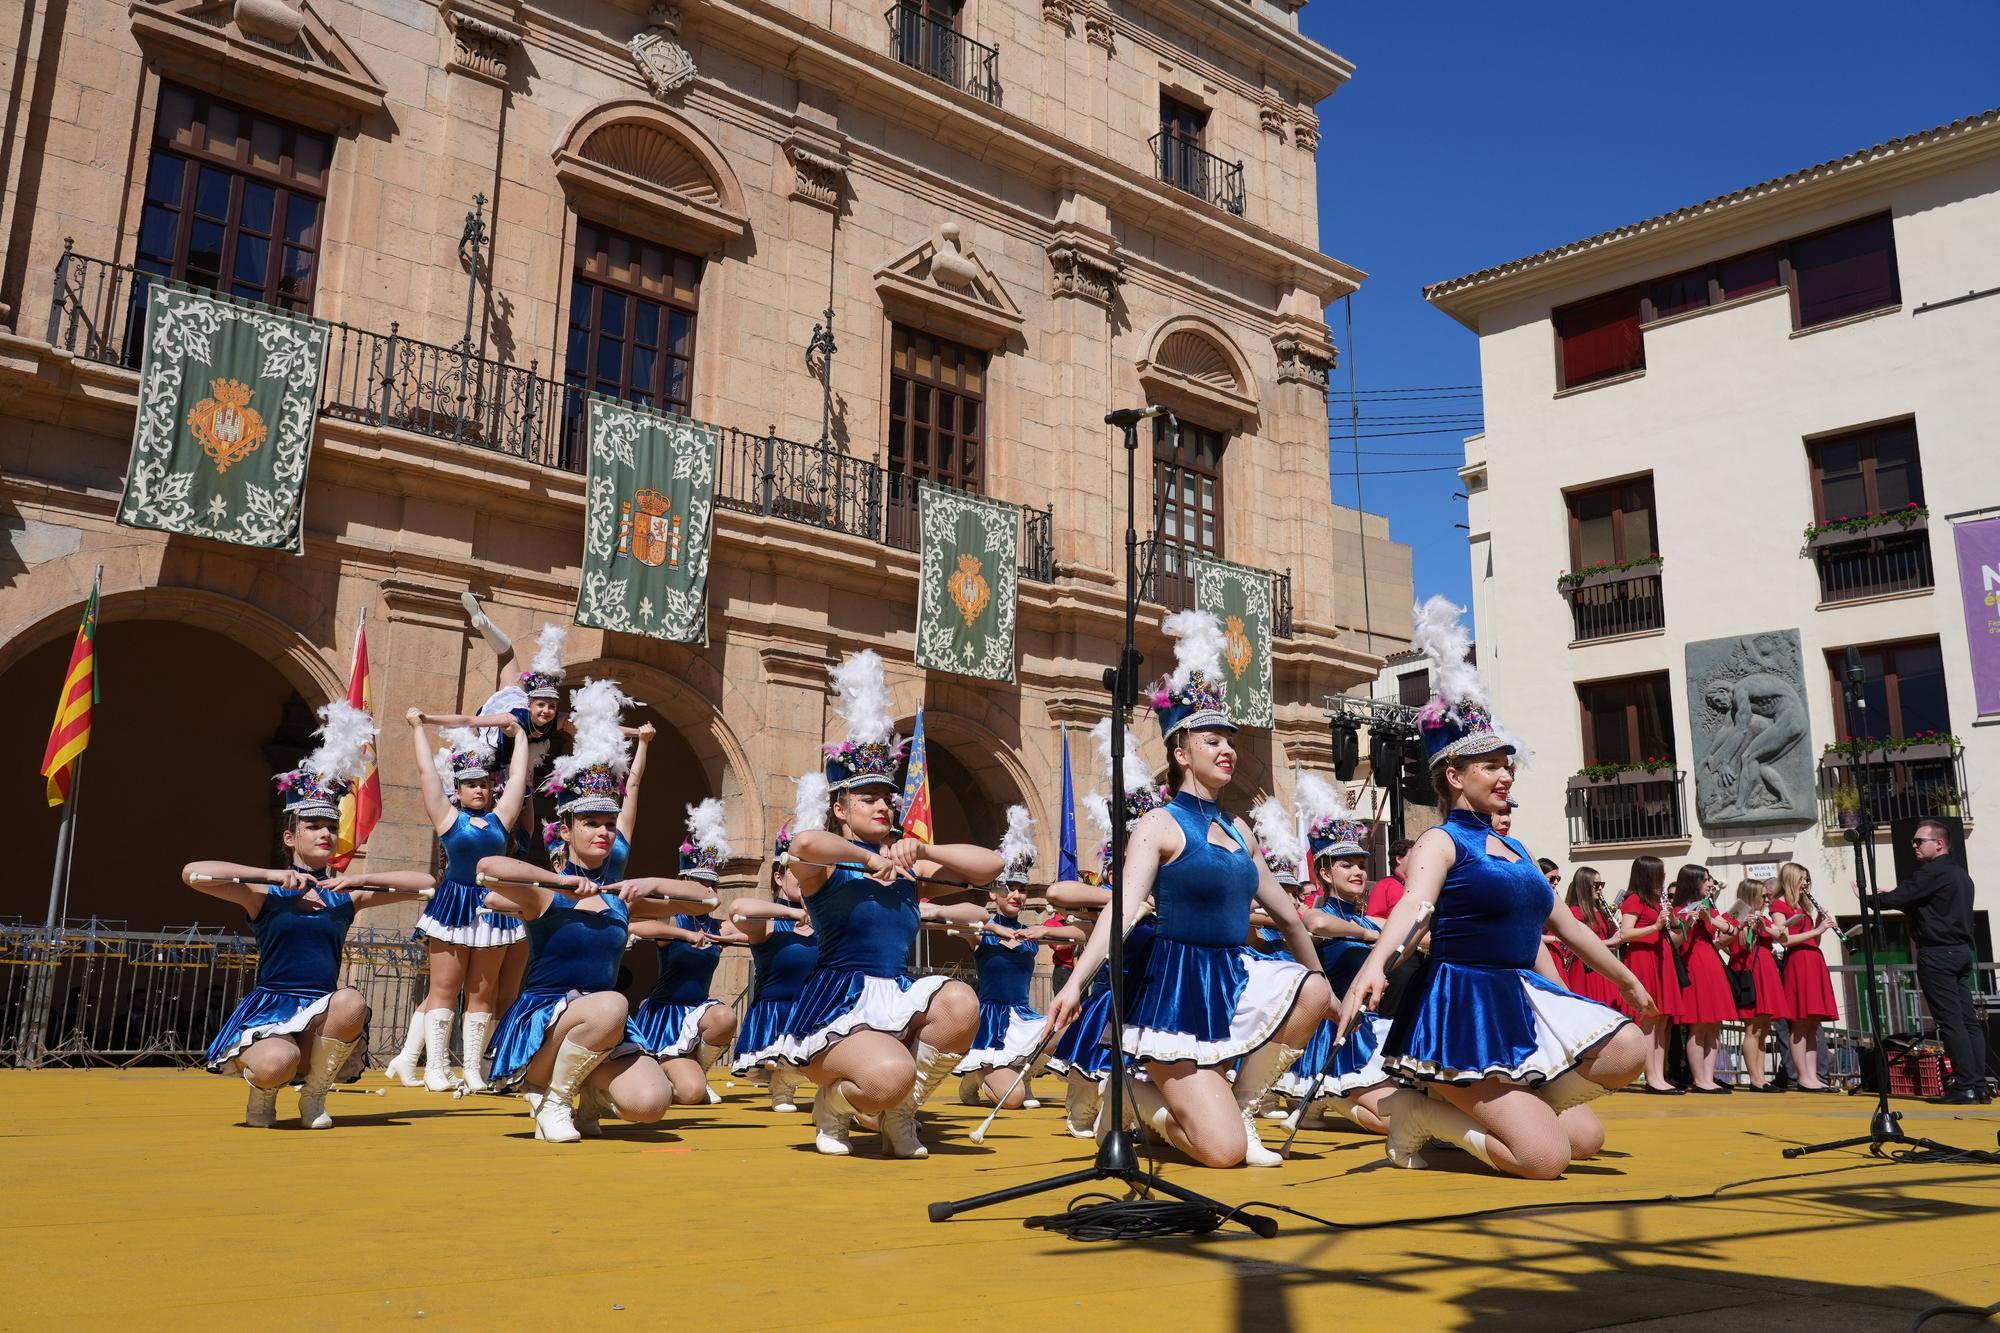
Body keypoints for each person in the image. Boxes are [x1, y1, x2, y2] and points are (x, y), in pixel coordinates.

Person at [1337, 596, 1652, 1180]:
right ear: (1454, 776)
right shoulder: (1440, 842)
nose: (1507, 773)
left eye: (1508, 763)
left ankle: (1482, 1111)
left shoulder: (1518, 850)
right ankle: (1417, 1109)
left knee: (1607, 1095)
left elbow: (1566, 925)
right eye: (1491, 765)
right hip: (1464, 1011)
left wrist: (1627, 980)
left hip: (1520, 1003)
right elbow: (1416, 904)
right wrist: (1376, 965)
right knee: (1546, 1158)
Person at [1050, 611, 1333, 1169]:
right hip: (1176, 992)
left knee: (1314, 991)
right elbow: (1123, 912)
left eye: (1231, 740)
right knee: (1221, 1154)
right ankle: (1128, 1102)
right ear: (1181, 753)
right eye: (1212, 740)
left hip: (1233, 977)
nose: (1227, 749)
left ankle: (1244, 1107)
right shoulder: (1158, 824)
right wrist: (1075, 985)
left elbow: (1293, 919)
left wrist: (1330, 994)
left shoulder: (1240, 829)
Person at [773, 650, 1000, 1158]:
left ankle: (899, 1112)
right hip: (837, 1002)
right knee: (889, 1075)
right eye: (867, 797)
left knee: (961, 1003)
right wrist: (864, 857)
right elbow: (804, 844)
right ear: (840, 807)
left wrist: (925, 850)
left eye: (886, 797)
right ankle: (833, 1105)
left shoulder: (907, 862)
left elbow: (990, 866)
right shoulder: (828, 865)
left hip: (895, 994)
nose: (882, 804)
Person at [479, 679, 716, 1142]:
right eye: (591, 823)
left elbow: (705, 899)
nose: (604, 832)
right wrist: (558, 880)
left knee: (650, 1105)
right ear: (565, 831)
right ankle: (554, 1100)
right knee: (611, 1003)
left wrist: (652, 882)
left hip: (603, 1024)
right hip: (547, 1020)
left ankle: (589, 1091)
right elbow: (487, 869)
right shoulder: (545, 895)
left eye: (609, 824)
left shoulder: (620, 896)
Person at [186, 701, 436, 1128]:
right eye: (313, 826)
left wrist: (358, 881)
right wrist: (268, 873)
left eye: (330, 826)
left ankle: (314, 1096)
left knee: (352, 1001)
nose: (325, 833)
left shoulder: (344, 896)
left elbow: (426, 884)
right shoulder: (264, 894)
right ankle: (263, 1093)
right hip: (272, 1008)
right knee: (276, 1062)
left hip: (322, 1008)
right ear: (291, 835)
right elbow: (194, 874)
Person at [387, 710, 534, 1093]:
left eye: (484, 784)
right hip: (453, 905)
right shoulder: (448, 818)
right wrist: (419, 728)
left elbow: (518, 778)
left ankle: (471, 1067)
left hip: (492, 907)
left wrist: (520, 736)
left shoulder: (502, 819)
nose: (479, 790)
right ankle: (434, 1065)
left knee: (482, 992)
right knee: (445, 989)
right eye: (470, 784)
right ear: (459, 789)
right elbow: (426, 776)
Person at [1044, 723, 1165, 1138]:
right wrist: (1121, 899)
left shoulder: (1166, 894)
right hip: (1107, 1001)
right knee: (1085, 1084)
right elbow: (1058, 890)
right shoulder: (1112, 897)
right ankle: (1084, 1114)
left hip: (1148, 1002)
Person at [1277, 775, 1393, 1134]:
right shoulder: (1320, 913)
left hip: (1367, 1030)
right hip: (1334, 1033)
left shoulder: (1367, 917)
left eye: (1361, 863)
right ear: (1325, 872)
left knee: (1401, 1110)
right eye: (1346, 865)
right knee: (1388, 1122)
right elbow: (1314, 924)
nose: (1358, 871)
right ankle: (1329, 1096)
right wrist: (1367, 933)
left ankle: (1327, 1099)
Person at [957, 808, 1082, 1108]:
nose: (1016, 894)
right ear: (993, 893)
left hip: (1022, 1018)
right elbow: (959, 919)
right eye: (1009, 888)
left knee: (1069, 1027)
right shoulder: (981, 933)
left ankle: (1022, 1071)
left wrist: (1043, 930)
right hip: (991, 1024)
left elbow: (1081, 933)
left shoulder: (1031, 932)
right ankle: (975, 1075)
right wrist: (993, 926)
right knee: (1011, 1102)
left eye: (1022, 889)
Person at [1864, 819, 1989, 1104]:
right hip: (1959, 951)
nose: (1914, 846)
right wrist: (1890, 898)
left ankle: (1965, 1086)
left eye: (1920, 841)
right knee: (1968, 1021)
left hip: (1938, 953)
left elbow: (1900, 896)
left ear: (1940, 843)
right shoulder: (1960, 875)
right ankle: (1978, 1086)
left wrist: (1871, 898)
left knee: (1952, 1022)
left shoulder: (1932, 873)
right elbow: (1924, 905)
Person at [629, 799, 742, 1107]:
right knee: (689, 1095)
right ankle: (663, 1076)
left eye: (711, 886)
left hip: (699, 1013)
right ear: (683, 884)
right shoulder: (672, 918)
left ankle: (700, 1071)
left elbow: (756, 936)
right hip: (664, 1018)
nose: (706, 892)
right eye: (700, 884)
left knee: (724, 1016)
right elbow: (638, 928)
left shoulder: (720, 927)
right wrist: (685, 934)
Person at [727, 777, 826, 1113]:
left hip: (814, 1016)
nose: (807, 876)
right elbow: (739, 910)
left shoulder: (827, 922)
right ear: (779, 877)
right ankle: (781, 1084)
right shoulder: (769, 923)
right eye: (798, 871)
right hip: (775, 1017)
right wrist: (792, 912)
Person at [1666, 864, 1738, 1093]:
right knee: (1699, 1025)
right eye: (1706, 879)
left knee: (1714, 1025)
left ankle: (1709, 1077)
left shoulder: (1708, 906)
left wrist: (1710, 918)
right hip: (1694, 967)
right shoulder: (1678, 909)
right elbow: (1676, 943)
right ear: (1693, 882)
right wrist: (1689, 921)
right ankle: (1699, 1079)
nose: (1710, 883)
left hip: (1713, 966)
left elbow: (1732, 930)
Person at [1619, 855, 1681, 1093]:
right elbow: (1625, 933)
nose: (1663, 879)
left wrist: (1672, 919)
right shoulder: (1634, 899)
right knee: (1648, 1020)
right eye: (1659, 874)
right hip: (1643, 959)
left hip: (1660, 958)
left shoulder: (1657, 900)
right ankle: (1651, 1077)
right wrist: (1655, 926)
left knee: (1662, 1020)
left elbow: (1673, 930)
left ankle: (1660, 1074)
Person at [1774, 862, 1838, 1091]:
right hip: (1798, 963)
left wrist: (1820, 924)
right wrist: (1817, 930)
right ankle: (1803, 1076)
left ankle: (1813, 1076)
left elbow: (1814, 940)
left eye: (1808, 879)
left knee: (1812, 1023)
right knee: (1800, 1023)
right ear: (1792, 879)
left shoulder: (1804, 906)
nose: (1806, 883)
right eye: (1803, 879)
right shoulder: (1779, 905)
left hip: (1813, 961)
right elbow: (1785, 940)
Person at [1728, 877, 1790, 1092]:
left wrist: (1764, 924)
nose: (1766, 899)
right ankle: (1755, 1079)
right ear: (1751, 894)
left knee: (1763, 1029)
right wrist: (1746, 926)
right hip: (1749, 972)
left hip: (1766, 972)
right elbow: (1730, 941)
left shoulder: (1764, 917)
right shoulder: (1735, 914)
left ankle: (1762, 1078)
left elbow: (1782, 937)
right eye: (1762, 896)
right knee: (1752, 1028)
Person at [1552, 867, 1626, 1012]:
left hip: (1603, 964)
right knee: (1595, 1010)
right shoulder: (1575, 912)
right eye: (1596, 885)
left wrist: (1614, 930)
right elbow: (1576, 943)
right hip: (1586, 968)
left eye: (1601, 885)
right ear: (1585, 887)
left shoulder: (1599, 910)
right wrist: (1609, 942)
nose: (1600, 889)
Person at [1368, 838, 1415, 918]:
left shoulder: (1418, 885)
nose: (1418, 860)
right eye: (1414, 856)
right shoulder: (1384, 886)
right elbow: (1373, 920)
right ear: (1399, 859)